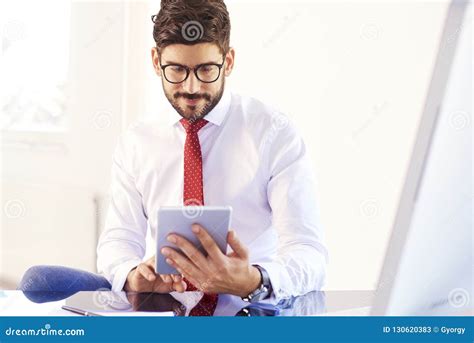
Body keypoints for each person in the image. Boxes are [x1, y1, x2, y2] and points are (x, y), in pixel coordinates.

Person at [19, 0, 327, 314]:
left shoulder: (274, 133)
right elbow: (119, 240)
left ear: (229, 61)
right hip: (163, 318)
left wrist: (254, 279)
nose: (191, 87)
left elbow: (309, 253)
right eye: (177, 70)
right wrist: (131, 274)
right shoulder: (137, 142)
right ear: (156, 61)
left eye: (206, 69)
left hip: (251, 318)